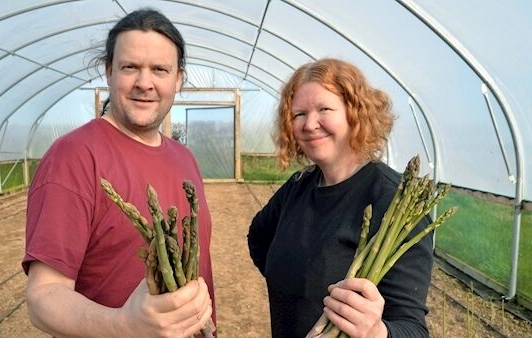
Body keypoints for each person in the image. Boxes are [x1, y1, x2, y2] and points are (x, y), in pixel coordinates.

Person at [22, 8, 215, 338]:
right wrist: (125, 325)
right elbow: (43, 297)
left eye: (159, 70)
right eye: (130, 67)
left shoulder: (184, 157)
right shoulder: (74, 156)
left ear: (178, 79)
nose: (144, 83)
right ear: (109, 71)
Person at [247, 58, 433, 338]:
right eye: (299, 114)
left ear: (354, 113)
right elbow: (258, 236)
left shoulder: (395, 201)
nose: (310, 124)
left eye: (324, 109)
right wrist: (290, 286)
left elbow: (412, 328)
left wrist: (376, 332)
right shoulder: (298, 186)